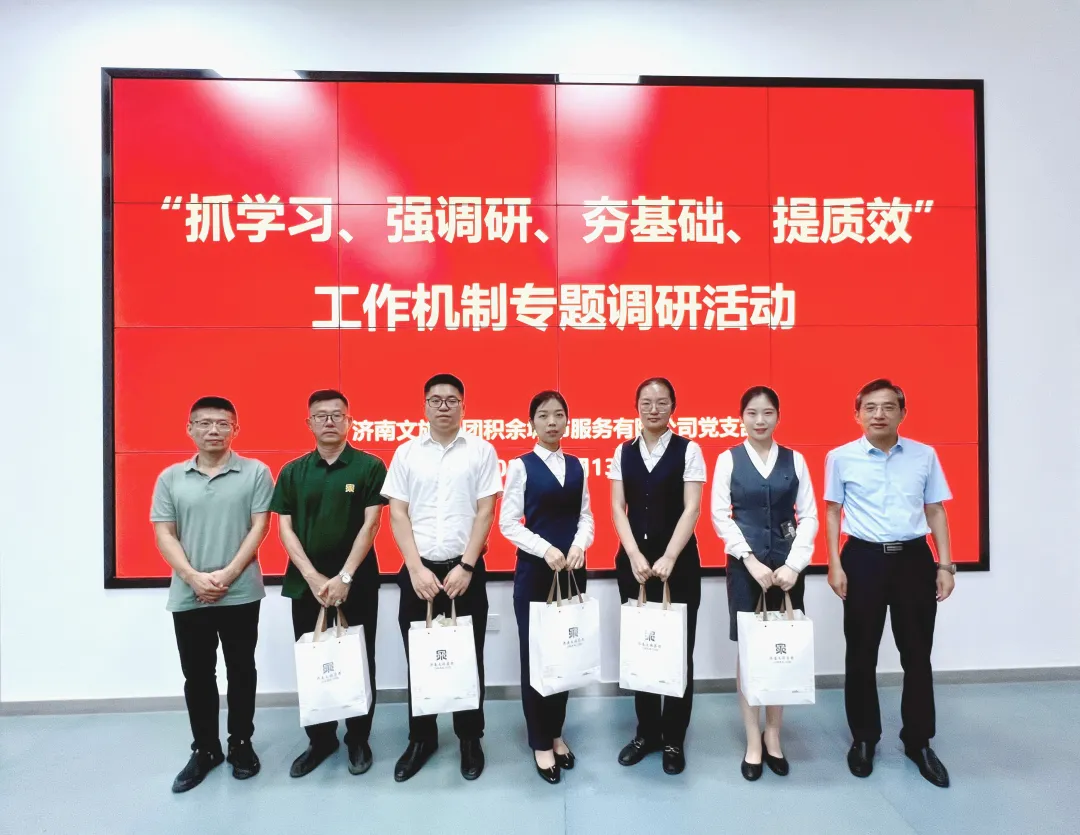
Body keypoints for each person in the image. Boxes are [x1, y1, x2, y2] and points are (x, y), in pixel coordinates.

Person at [825, 379, 956, 788]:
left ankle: (918, 741)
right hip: (862, 559)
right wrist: (834, 563)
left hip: (914, 560)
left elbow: (935, 510)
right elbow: (832, 512)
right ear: (857, 414)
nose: (878, 414)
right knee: (860, 654)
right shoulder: (840, 457)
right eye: (870, 407)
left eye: (887, 407)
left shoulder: (924, 455)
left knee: (917, 655)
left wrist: (945, 565)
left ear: (902, 413)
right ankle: (864, 738)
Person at [382, 373, 503, 782]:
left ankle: (470, 738)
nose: (444, 406)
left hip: (464, 569)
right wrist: (415, 568)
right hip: (418, 572)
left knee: (469, 657)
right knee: (420, 657)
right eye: (435, 400)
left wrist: (466, 566)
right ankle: (422, 738)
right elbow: (397, 513)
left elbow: (485, 511)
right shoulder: (406, 453)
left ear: (464, 406)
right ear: (425, 407)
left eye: (452, 400)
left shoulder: (482, 451)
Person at [151, 396, 273, 793]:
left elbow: (260, 527)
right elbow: (164, 533)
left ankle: (240, 744)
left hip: (241, 592)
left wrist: (227, 574)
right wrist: (193, 577)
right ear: (190, 428)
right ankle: (205, 749)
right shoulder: (171, 477)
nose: (213, 430)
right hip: (189, 595)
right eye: (204, 423)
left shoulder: (256, 472)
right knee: (198, 675)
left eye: (222, 423)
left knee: (241, 670)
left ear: (236, 429)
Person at [270, 389, 387, 778]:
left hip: (358, 583)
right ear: (309, 423)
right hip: (307, 586)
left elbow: (372, 524)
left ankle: (358, 738)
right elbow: (285, 529)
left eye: (337, 415)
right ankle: (320, 740)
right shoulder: (293, 471)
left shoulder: (369, 466)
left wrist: (345, 576)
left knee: (360, 659)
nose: (329, 421)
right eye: (321, 415)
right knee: (314, 661)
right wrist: (313, 577)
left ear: (349, 421)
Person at [710, 385, 818, 781]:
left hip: (788, 570)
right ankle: (752, 739)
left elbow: (809, 515)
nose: (760, 420)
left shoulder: (795, 460)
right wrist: (749, 559)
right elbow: (720, 515)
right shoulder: (728, 459)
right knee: (750, 651)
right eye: (752, 413)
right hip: (745, 568)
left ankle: (774, 734)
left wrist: (794, 564)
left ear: (778, 416)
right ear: (742, 417)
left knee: (781, 647)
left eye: (768, 413)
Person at [498, 390, 595, 784]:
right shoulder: (521, 467)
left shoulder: (578, 465)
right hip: (536, 575)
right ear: (531, 423)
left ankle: (556, 733)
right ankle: (540, 742)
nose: (552, 422)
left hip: (571, 572)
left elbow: (586, 516)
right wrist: (545, 549)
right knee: (537, 658)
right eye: (543, 415)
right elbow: (508, 523)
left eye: (558, 415)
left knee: (566, 654)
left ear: (567, 420)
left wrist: (579, 545)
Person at [610, 377, 705, 775]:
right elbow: (617, 507)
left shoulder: (689, 449)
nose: (654, 409)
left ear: (673, 406)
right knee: (643, 648)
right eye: (646, 402)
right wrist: (633, 554)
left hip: (678, 565)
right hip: (633, 566)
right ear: (636, 407)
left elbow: (692, 508)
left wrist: (669, 555)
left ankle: (673, 739)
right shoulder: (623, 451)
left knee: (678, 652)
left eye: (662, 402)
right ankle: (646, 733)